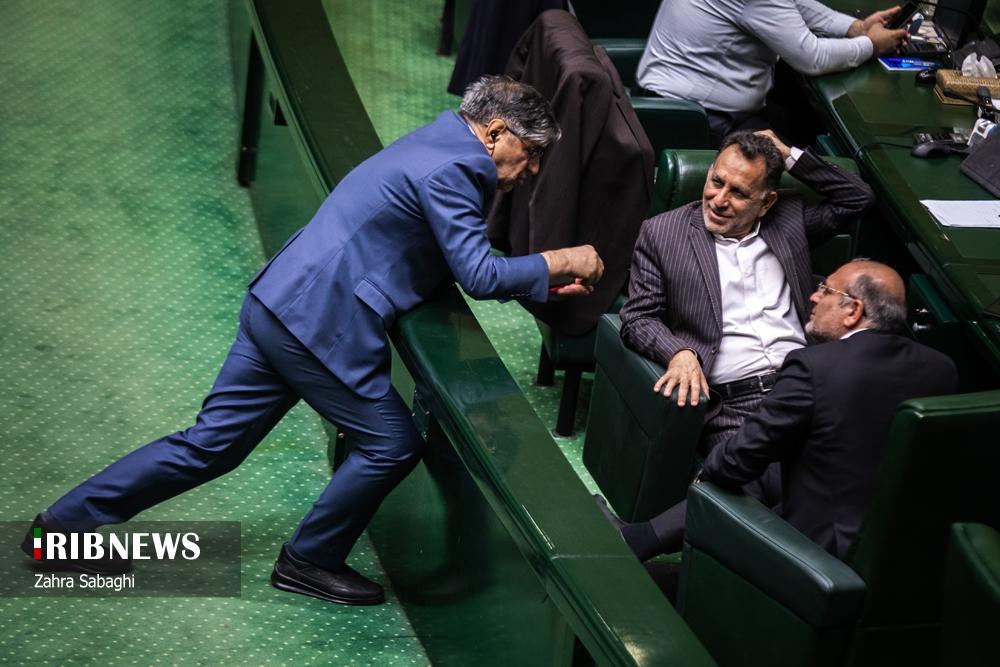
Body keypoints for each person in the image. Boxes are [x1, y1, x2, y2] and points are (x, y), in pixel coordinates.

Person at [20, 75, 604, 605]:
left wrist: (534, 281)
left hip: (278, 302)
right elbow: (476, 274)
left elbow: (429, 245)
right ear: (496, 132)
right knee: (391, 443)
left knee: (210, 445)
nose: (531, 170)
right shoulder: (461, 169)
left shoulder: (439, 139)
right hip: (320, 328)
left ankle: (61, 528)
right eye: (530, 153)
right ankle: (309, 560)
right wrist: (559, 260)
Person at [600, 260, 959, 560]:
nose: (813, 296)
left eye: (826, 290)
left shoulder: (816, 366)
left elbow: (740, 457)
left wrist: (709, 470)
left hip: (824, 545)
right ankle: (639, 539)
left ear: (853, 310)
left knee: (726, 471)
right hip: (908, 543)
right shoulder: (942, 368)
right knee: (764, 472)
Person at [619, 129, 873, 501]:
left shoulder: (788, 220)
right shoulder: (663, 234)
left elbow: (858, 198)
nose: (719, 200)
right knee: (768, 485)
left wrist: (788, 154)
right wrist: (678, 352)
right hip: (735, 404)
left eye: (738, 193)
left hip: (805, 382)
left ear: (766, 202)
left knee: (858, 468)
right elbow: (638, 317)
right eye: (716, 181)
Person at [635, 0, 909, 145]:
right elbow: (811, 57)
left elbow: (795, 4)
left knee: (794, 122)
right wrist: (871, 45)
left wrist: (857, 28)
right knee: (812, 172)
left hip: (682, 99)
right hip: (695, 118)